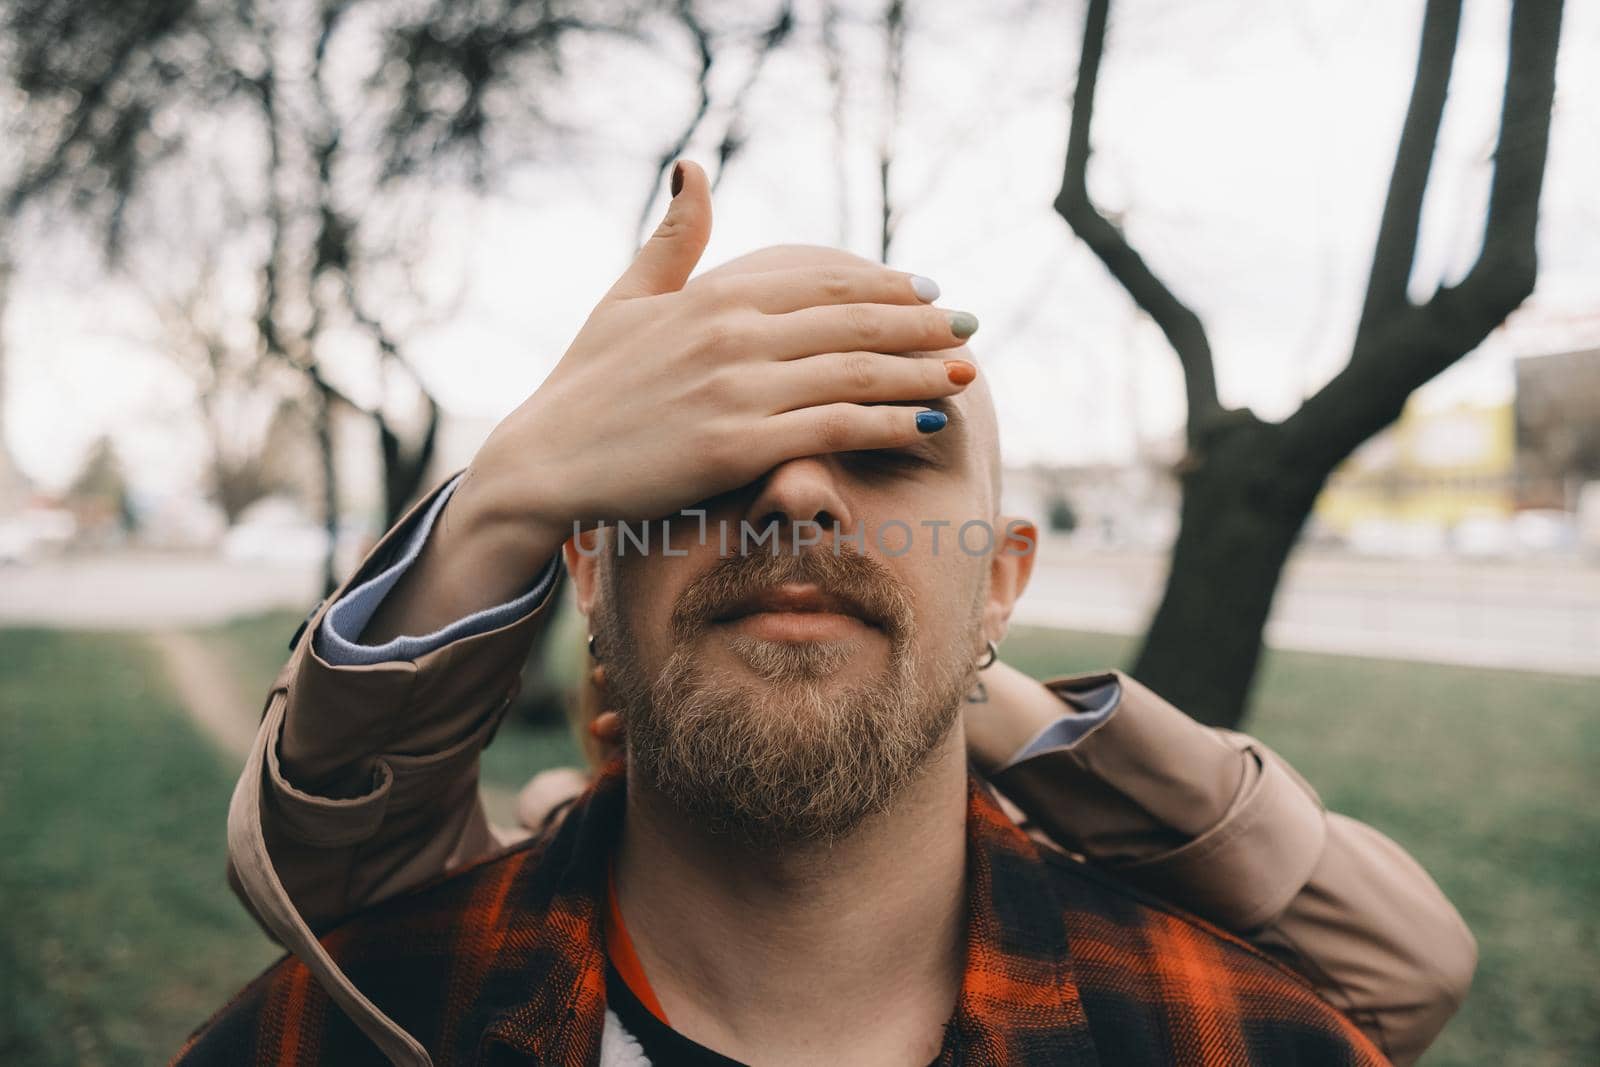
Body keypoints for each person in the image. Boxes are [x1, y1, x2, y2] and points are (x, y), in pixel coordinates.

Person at [178, 160, 1472, 1066]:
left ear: (1003, 583)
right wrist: (506, 491)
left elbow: (1401, 971)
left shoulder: (1245, 1039)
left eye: (897, 439)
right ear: (586, 573)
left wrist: (936, 656)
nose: (797, 488)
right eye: (706, 457)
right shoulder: (313, 1035)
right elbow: (329, 876)